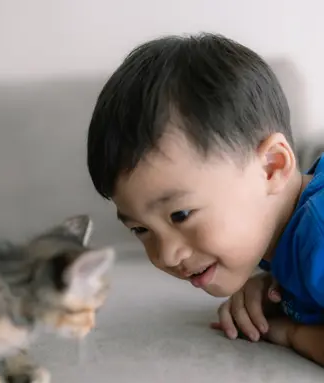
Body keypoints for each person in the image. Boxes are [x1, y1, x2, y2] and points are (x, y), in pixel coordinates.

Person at [86, 32, 324, 366]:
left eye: (180, 214)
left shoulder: (318, 234)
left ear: (272, 167)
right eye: (141, 230)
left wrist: (292, 333)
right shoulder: (289, 233)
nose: (167, 255)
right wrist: (278, 287)